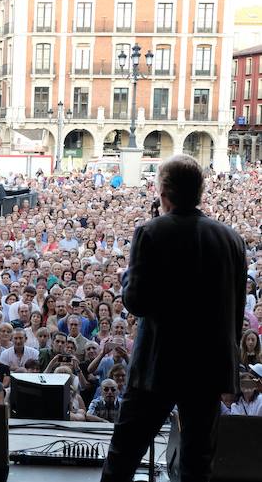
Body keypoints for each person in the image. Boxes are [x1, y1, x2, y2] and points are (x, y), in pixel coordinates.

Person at [102, 155, 248, 482]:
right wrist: (230, 374)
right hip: (208, 369)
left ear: (163, 191)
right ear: (200, 192)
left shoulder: (149, 232)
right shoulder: (231, 239)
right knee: (197, 465)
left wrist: (128, 275)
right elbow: (235, 313)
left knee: (123, 458)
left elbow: (136, 302)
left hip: (158, 367)